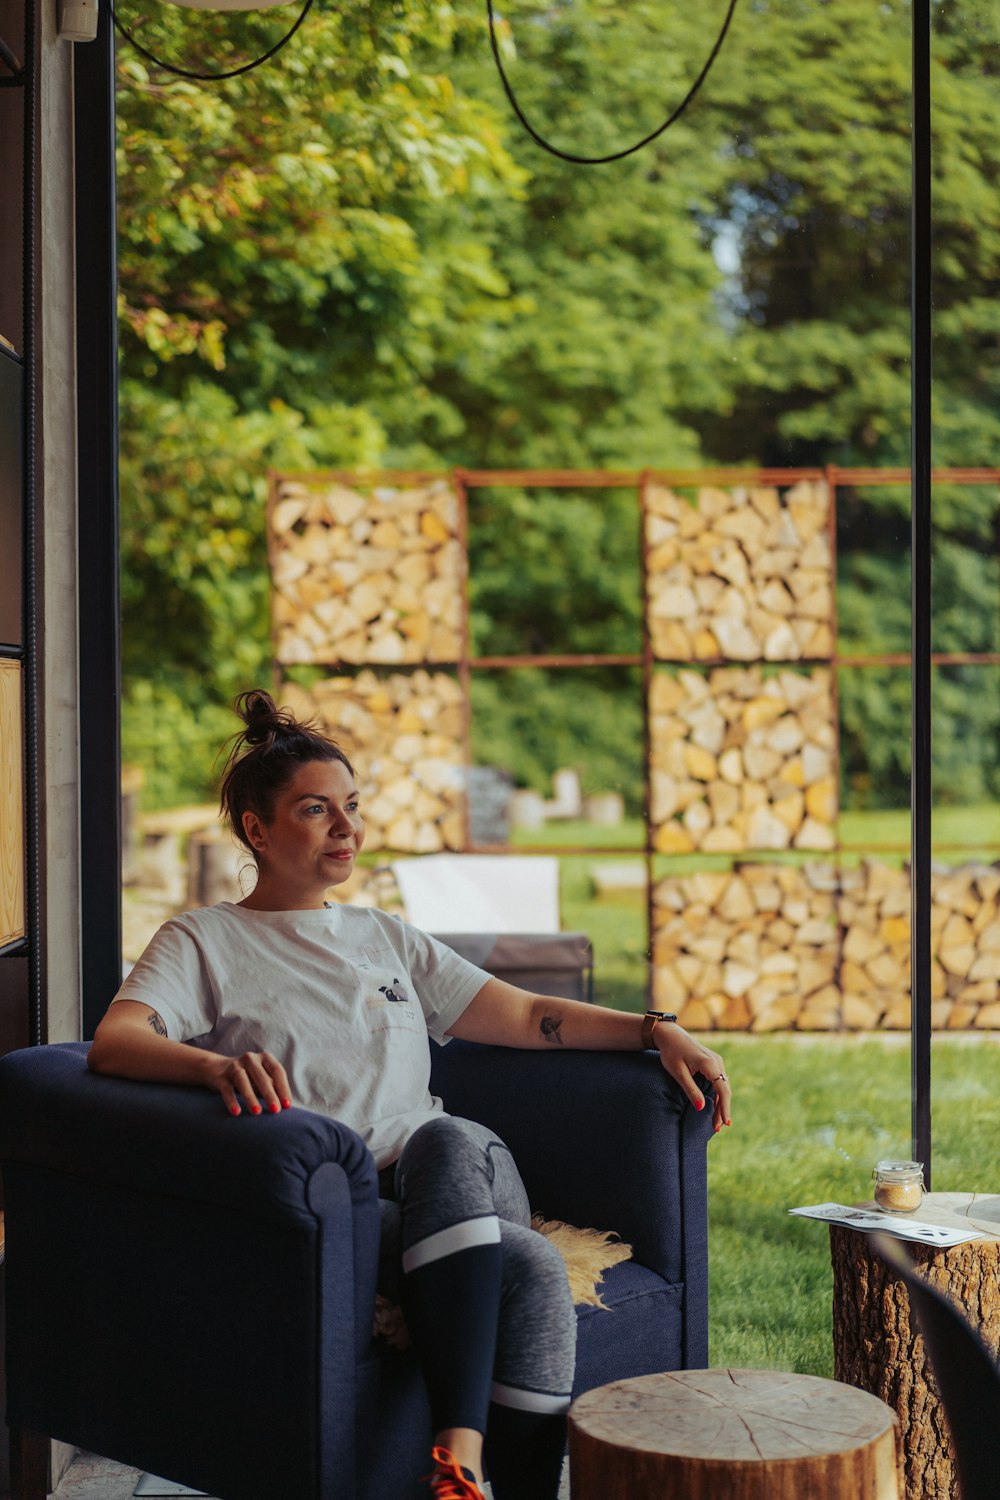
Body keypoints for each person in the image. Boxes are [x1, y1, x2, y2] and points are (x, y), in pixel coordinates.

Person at [89, 689, 732, 1500]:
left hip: (464, 1173)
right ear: (258, 830)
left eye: (351, 808)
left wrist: (653, 1028)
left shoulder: (382, 936)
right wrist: (212, 1067)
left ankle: (455, 1446)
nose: (346, 830)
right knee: (529, 1264)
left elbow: (532, 1016)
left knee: (447, 1138)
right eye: (316, 811)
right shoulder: (203, 940)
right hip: (347, 1205)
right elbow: (117, 1040)